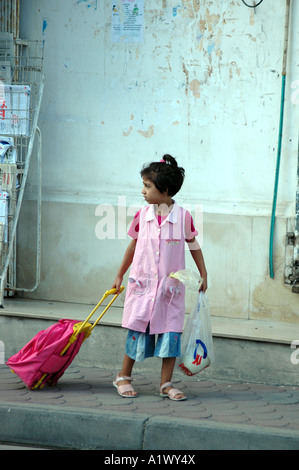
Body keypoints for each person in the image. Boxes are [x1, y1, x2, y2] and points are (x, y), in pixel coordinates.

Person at [112, 154, 208, 401]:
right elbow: (132, 248)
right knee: (137, 330)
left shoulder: (183, 217)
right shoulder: (141, 216)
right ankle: (123, 376)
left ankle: (166, 384)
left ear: (164, 190)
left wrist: (203, 274)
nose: (142, 191)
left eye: (147, 186)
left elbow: (194, 246)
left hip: (169, 289)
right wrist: (119, 275)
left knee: (170, 334)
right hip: (143, 286)